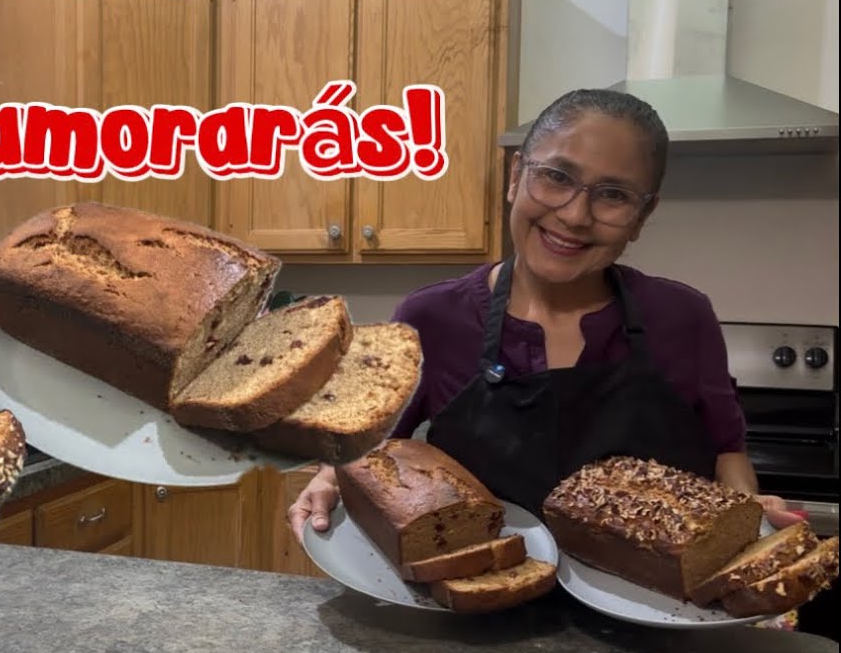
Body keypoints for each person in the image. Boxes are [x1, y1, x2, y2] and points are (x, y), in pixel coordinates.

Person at [288, 88, 805, 542]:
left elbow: (727, 452)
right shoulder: (431, 317)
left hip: (657, 622)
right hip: (476, 613)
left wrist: (750, 510)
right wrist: (331, 479)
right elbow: (370, 448)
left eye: (614, 196)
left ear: (642, 216)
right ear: (516, 176)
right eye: (557, 176)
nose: (575, 215)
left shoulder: (682, 317)